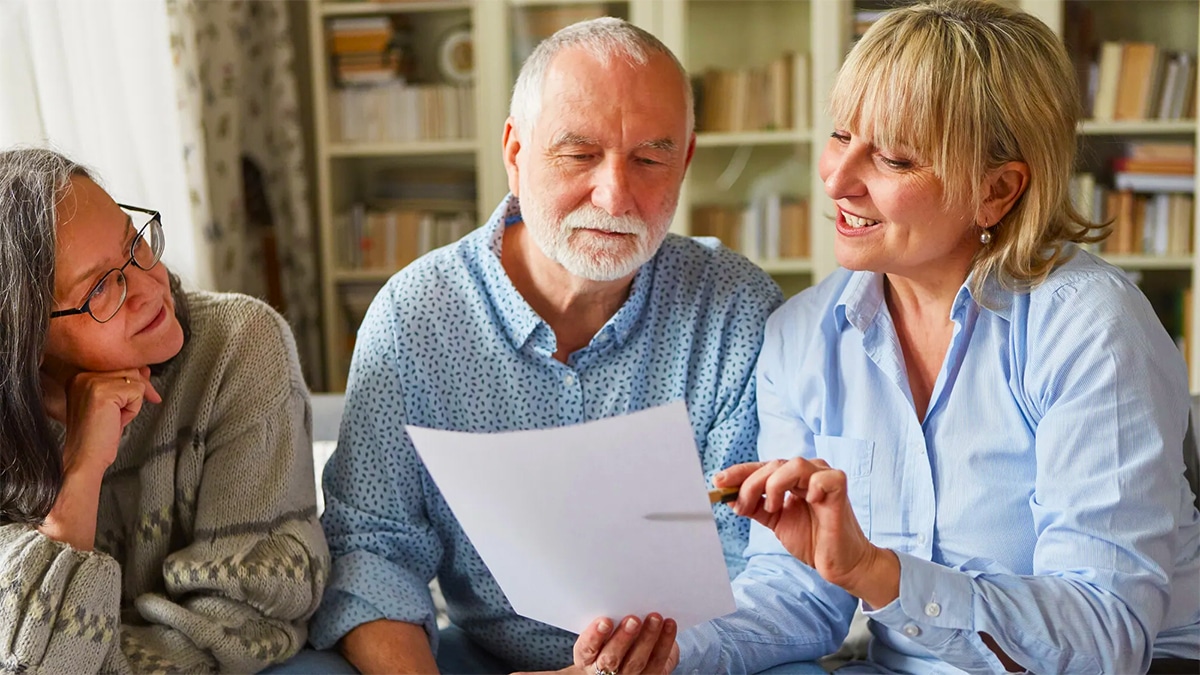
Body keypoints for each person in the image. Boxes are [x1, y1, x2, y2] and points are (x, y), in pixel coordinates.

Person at [620, 1, 1199, 673]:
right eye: (841, 135)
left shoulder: (1091, 326)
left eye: (893, 158)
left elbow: (1105, 635)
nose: (836, 179)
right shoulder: (802, 336)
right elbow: (798, 596)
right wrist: (662, 655)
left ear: (996, 190)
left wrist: (876, 570)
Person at [310, 16, 783, 675]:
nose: (615, 195)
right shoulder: (415, 315)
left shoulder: (736, 309)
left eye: (649, 158)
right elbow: (373, 549)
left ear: (686, 161)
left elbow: (764, 559)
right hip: (483, 656)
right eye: (579, 154)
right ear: (514, 151)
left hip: (690, 660)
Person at [0, 147, 329, 673]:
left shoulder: (238, 347)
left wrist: (89, 654)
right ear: (28, 339)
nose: (150, 286)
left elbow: (250, 618)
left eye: (135, 244)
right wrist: (80, 474)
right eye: (103, 286)